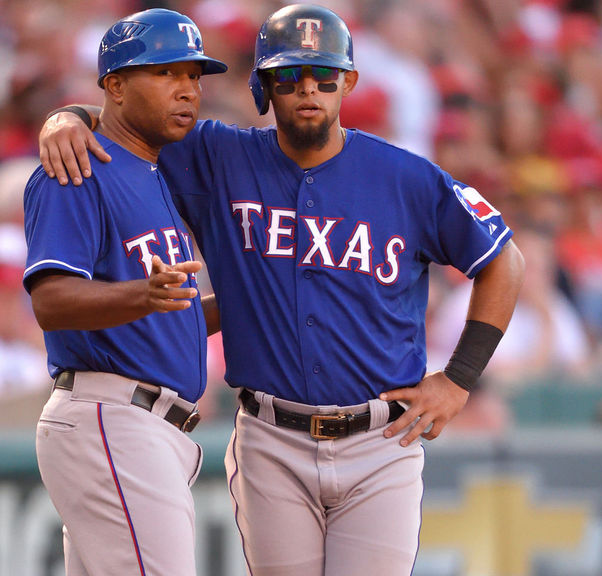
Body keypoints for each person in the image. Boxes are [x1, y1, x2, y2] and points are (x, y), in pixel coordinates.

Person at [38, 5, 525, 575]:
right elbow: (130, 118)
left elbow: (503, 261)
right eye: (290, 78)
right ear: (264, 87)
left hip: (380, 439)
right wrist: (66, 119)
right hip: (272, 436)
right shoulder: (217, 155)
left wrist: (460, 378)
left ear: (348, 83)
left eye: (324, 77)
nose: (308, 91)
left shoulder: (405, 176)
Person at [22, 9, 226, 576]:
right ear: (115, 85)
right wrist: (144, 296)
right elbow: (52, 301)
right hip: (112, 417)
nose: (187, 91)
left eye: (194, 77)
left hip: (139, 425)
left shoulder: (155, 169)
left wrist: (235, 309)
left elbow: (164, 313)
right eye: (166, 74)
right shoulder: (80, 165)